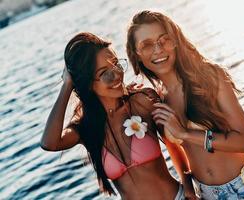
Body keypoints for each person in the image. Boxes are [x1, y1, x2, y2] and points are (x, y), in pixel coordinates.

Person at [126, 10, 244, 199]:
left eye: (164, 39)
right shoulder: (157, 101)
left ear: (175, 40)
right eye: (147, 45)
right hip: (207, 194)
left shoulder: (209, 77)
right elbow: (176, 150)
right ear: (136, 55)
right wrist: (187, 185)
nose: (158, 49)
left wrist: (186, 133)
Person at [40, 32, 197, 199]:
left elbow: (176, 146)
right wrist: (67, 85)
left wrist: (189, 189)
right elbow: (50, 143)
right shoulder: (85, 128)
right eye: (103, 73)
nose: (116, 75)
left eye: (116, 64)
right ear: (87, 83)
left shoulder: (143, 101)